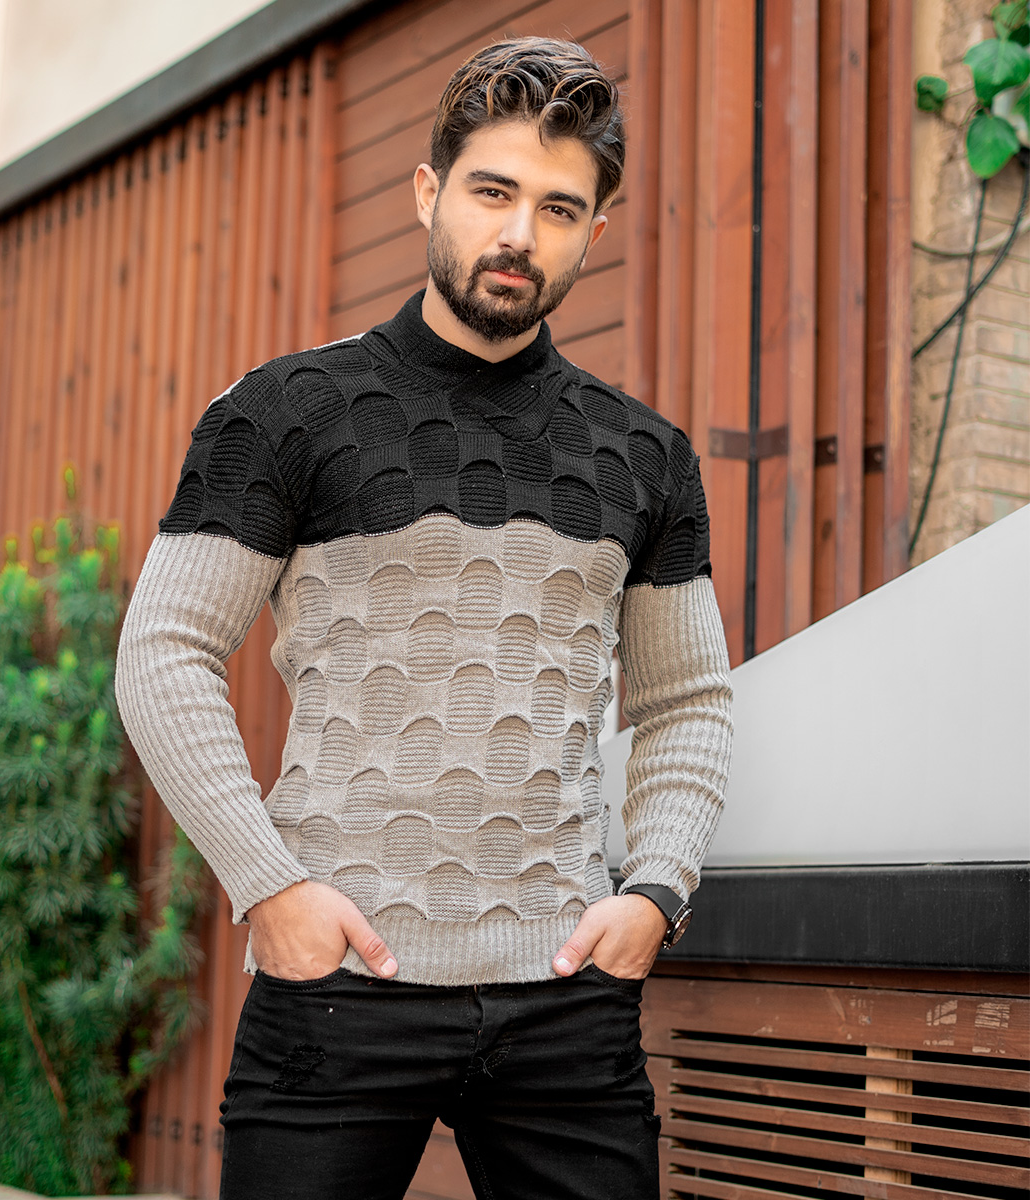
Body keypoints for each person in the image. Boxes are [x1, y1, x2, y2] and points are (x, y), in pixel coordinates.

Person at [115, 36, 733, 1200]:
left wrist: (656, 893)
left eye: (559, 209)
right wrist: (269, 886)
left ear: (595, 233)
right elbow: (164, 651)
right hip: (339, 983)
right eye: (492, 192)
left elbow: (688, 701)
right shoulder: (284, 412)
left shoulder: (646, 455)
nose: (520, 234)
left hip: (567, 996)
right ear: (426, 192)